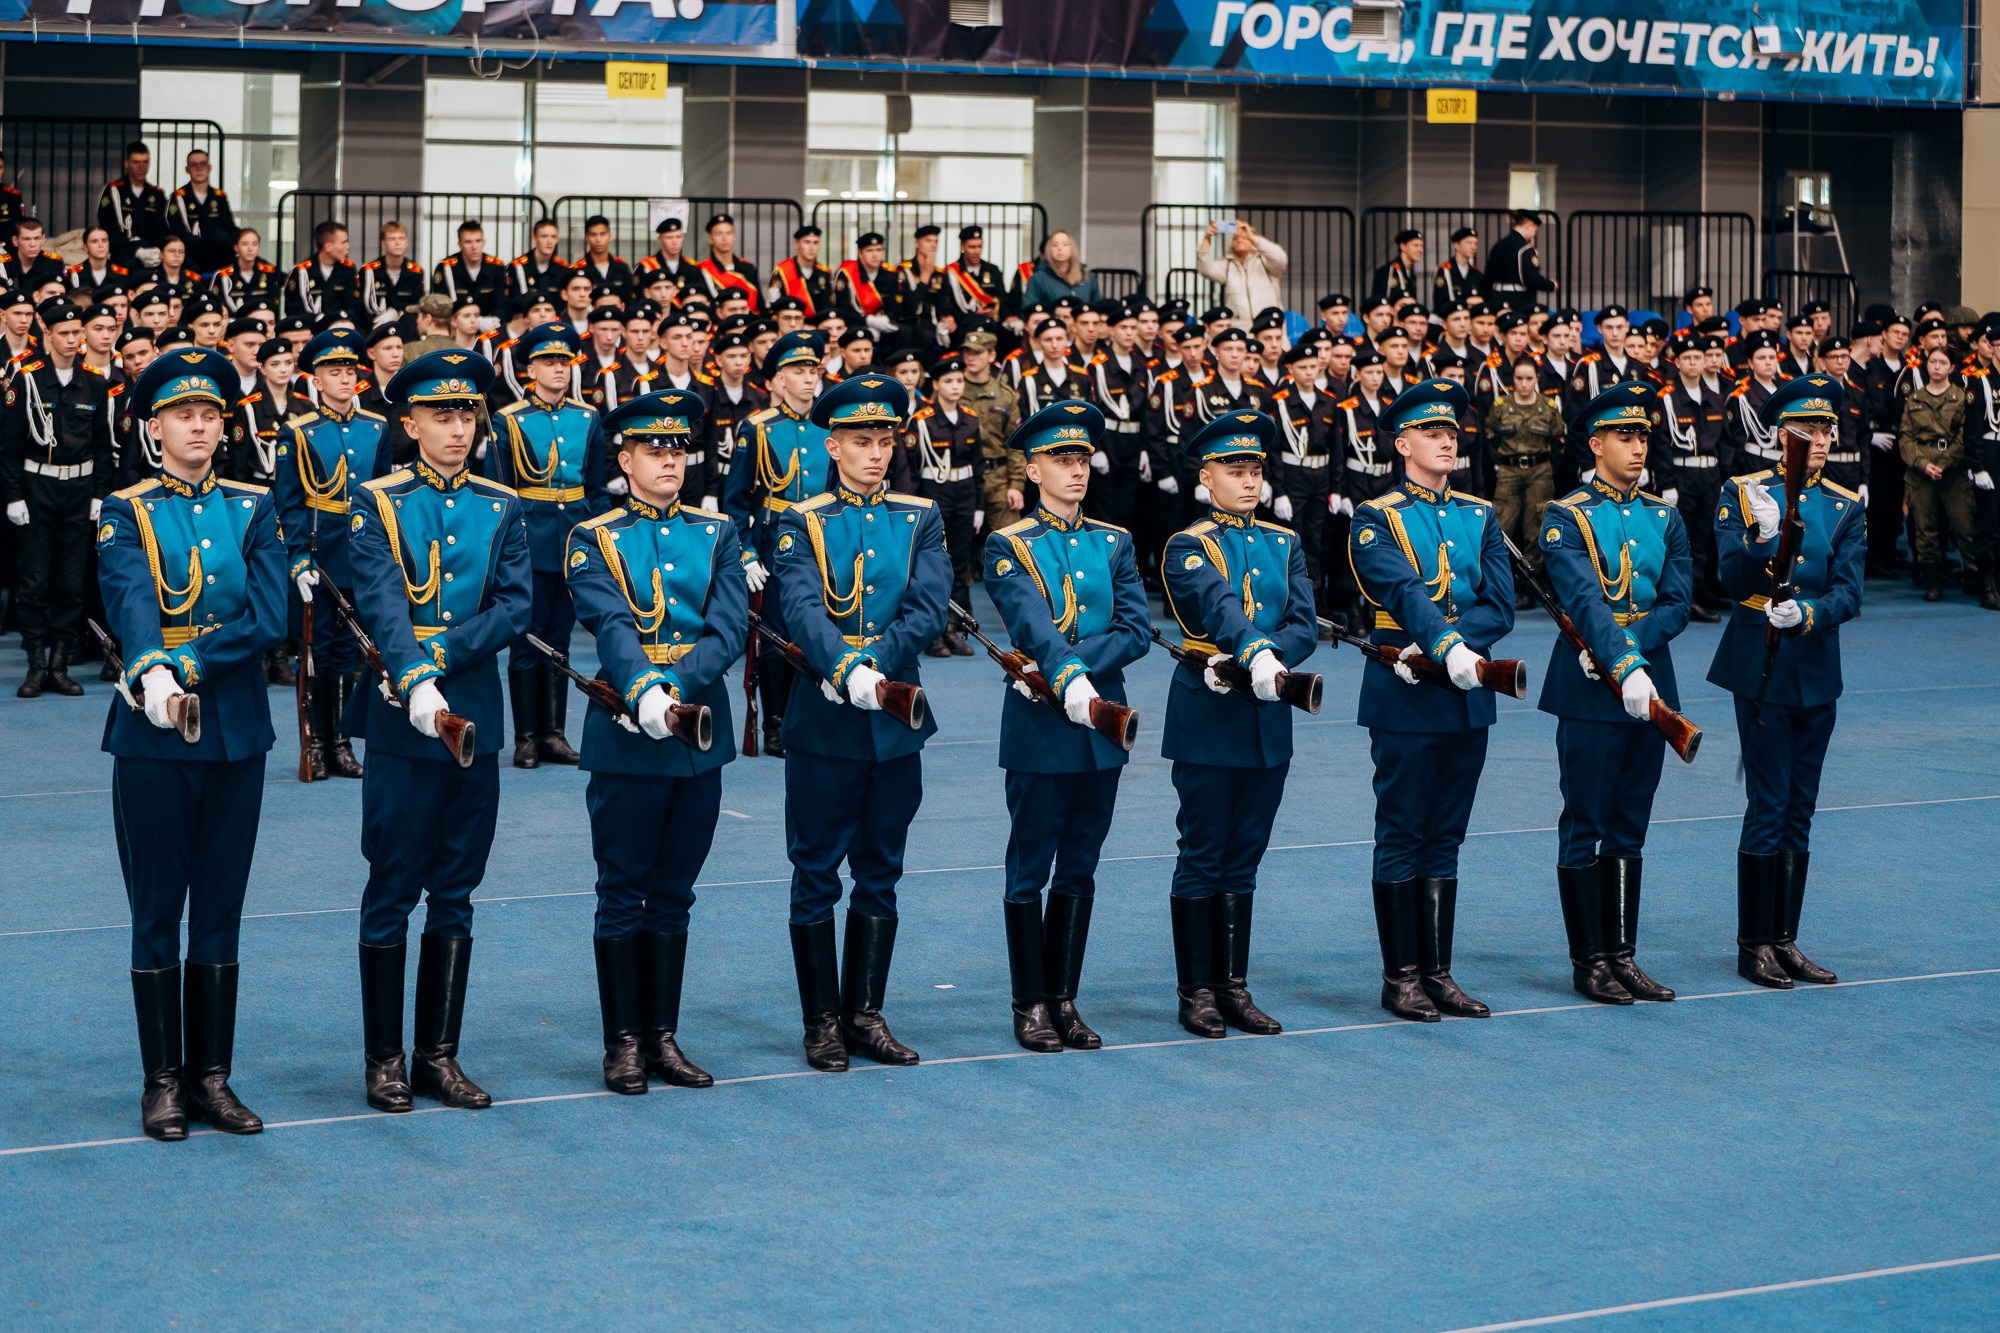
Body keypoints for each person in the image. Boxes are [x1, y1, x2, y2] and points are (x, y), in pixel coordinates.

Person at [96, 345, 287, 1141]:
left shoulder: (253, 506)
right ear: (154, 427)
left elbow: (271, 617)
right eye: (184, 414)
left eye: (211, 414)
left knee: (221, 909)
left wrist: (188, 660)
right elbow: (131, 601)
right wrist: (152, 670)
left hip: (236, 730)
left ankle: (212, 1077)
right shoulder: (125, 510)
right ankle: (162, 1081)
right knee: (155, 910)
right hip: (153, 736)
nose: (201, 425)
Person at [346, 347, 531, 1113]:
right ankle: (384, 1059)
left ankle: (438, 1056)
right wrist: (413, 665)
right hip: (401, 721)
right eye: (442, 415)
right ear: (409, 422)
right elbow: (383, 600)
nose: (458, 427)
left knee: (456, 888)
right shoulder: (378, 500)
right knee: (392, 884)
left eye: (468, 414)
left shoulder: (501, 502)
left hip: (475, 719)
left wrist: (445, 652)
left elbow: (517, 605)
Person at [567, 389, 745, 1093]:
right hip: (625, 736)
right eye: (654, 449)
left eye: (678, 450)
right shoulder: (594, 536)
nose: (669, 460)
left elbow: (728, 628)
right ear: (625, 457)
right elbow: (609, 622)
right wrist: (642, 688)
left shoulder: (717, 534)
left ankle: (662, 1036)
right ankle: (622, 1042)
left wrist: (674, 689)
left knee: (675, 890)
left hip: (697, 733)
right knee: (622, 888)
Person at [771, 373, 951, 1071]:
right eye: (860, 441)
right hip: (825, 723)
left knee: (881, 869)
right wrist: (846, 669)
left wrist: (873, 661)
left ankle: (865, 1012)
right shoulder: (802, 519)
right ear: (833, 444)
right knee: (816, 870)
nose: (875, 453)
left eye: (884, 440)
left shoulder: (919, 516)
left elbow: (929, 607)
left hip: (896, 721)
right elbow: (802, 609)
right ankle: (821, 1020)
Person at [984, 400, 1150, 1051]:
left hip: (1101, 729)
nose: (1076, 470)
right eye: (1061, 459)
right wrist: (1064, 673)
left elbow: (1136, 629)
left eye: (1082, 458)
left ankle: (1065, 998)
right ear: (1034, 467)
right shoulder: (1010, 544)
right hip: (1040, 729)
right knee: (1030, 866)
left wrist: (1072, 668)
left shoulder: (1114, 541)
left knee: (1080, 866)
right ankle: (1029, 1002)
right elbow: (1028, 623)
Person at [1349, 378, 1514, 1023]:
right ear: (1402, 442)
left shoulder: (1479, 514)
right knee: (1402, 829)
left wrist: (1461, 654)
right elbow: (1403, 593)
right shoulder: (1377, 515)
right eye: (1433, 432)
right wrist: (1445, 647)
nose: (1449, 440)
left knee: (1446, 834)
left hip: (1466, 689)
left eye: (1453, 432)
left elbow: (1500, 603)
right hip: (1407, 689)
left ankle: (1438, 971)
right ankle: (1401, 977)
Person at [1158, 409, 1316, 1038]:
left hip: (1267, 720)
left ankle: (1233, 986)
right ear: (1207, 476)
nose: (1248, 480)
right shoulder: (1188, 545)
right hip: (1209, 718)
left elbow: (1304, 622)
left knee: (1245, 858)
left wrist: (1271, 661)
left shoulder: (1285, 543)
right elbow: (1218, 608)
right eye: (1234, 469)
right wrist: (1252, 652)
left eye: (1255, 469)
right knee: (1203, 853)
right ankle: (1195, 990)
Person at [1538, 383, 1690, 1005]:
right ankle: (1588, 961)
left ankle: (1622, 955)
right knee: (1586, 820)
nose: (1636, 447)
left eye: (1643, 436)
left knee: (1631, 823)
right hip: (1590, 687)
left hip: (1652, 684)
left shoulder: (1664, 514)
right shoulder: (1566, 516)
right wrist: (1620, 660)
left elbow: (1680, 601)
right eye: (1623, 436)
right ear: (1595, 443)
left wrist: (1634, 649)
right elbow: (1583, 601)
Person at [1708, 375, 1861, 990]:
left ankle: (1785, 940)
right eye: (1806, 429)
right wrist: (1761, 539)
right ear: (1779, 434)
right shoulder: (1744, 493)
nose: (1819, 439)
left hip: (1816, 667)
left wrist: (1813, 613)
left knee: (1800, 809)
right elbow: (1726, 575)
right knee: (1768, 804)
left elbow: (1849, 590)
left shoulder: (1845, 506)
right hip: (1761, 664)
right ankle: (1754, 945)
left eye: (1826, 429)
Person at [489, 321, 611, 764]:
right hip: (529, 540)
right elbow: (501, 490)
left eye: (564, 361)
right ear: (531, 368)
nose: (559, 369)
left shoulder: (587, 418)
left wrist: (596, 538)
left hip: (573, 538)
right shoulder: (510, 420)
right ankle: (525, 736)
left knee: (559, 636)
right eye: (549, 362)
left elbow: (596, 488)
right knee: (526, 636)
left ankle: (553, 734)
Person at [277, 328, 395, 780]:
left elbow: (384, 493)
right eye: (333, 372)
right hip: (319, 546)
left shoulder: (376, 427)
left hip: (362, 550)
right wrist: (296, 557)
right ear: (317, 381)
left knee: (351, 648)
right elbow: (288, 502)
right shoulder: (299, 431)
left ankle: (343, 740)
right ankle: (317, 741)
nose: (344, 379)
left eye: (349, 371)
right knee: (318, 648)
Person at [721, 331, 829, 756]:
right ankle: (775, 721)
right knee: (776, 636)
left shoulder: (831, 426)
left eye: (813, 370)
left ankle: (814, 712)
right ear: (779, 379)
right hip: (775, 542)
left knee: (821, 627)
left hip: (823, 541)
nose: (808, 379)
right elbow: (735, 500)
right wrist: (745, 552)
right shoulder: (758, 428)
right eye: (798, 372)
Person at [5, 298, 116, 698]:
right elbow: (9, 446)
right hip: (37, 490)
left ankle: (60, 665)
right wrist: (12, 496)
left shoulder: (94, 382)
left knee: (71, 583)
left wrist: (100, 494)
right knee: (34, 582)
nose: (72, 340)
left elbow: (103, 447)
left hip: (79, 491)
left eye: (77, 333)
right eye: (64, 333)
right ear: (46, 333)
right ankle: (36, 666)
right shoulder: (28, 379)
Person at [1898, 346, 1980, 602]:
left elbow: (1964, 436)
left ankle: (1975, 576)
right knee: (1925, 530)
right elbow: (1905, 437)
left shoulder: (1961, 397)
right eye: (1932, 361)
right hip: (1921, 471)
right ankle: (1932, 581)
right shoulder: (1915, 398)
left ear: (1951, 367)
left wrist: (1943, 463)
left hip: (1952, 471)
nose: (1936, 366)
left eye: (1942, 362)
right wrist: (1923, 464)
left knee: (1964, 526)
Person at [1485, 356, 1564, 599]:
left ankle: (1530, 587)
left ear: (1537, 379)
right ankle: (1497, 585)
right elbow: (1490, 440)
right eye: (1519, 378)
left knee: (1536, 528)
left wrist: (1547, 467)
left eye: (1529, 378)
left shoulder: (1548, 407)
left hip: (1540, 470)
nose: (1524, 384)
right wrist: (1502, 464)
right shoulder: (1500, 406)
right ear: (1512, 380)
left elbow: (1559, 443)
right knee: (1501, 527)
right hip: (1508, 471)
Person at [1193, 221, 1288, 330]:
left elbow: (1280, 258)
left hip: (1269, 329)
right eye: (1235, 238)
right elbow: (1206, 269)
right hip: (1241, 332)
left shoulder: (1265, 261)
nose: (1239, 239)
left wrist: (1253, 238)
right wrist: (1207, 238)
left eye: (1244, 237)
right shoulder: (1228, 264)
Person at [97, 141, 171, 271]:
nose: (141, 167)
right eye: (136, 162)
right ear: (127, 163)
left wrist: (156, 249)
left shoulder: (157, 194)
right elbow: (108, 228)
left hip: (151, 251)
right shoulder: (114, 191)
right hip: (122, 251)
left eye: (145, 162)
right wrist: (137, 250)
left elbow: (163, 229)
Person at [167, 149, 235, 274]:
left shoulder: (219, 197)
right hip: (191, 255)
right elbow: (177, 231)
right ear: (187, 169)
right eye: (194, 165)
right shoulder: (178, 198)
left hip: (218, 256)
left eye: (203, 164)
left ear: (209, 168)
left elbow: (229, 227)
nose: (199, 169)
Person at [1485, 211, 1557, 314]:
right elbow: (1531, 277)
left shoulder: (1498, 246)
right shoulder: (1525, 248)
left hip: (1495, 297)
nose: (1534, 233)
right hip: (1518, 299)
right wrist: (1550, 285)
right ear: (1529, 225)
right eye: (1535, 229)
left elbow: (1488, 275)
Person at [289, 221, 358, 322]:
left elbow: (353, 306)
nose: (348, 247)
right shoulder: (301, 272)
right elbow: (293, 309)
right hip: (309, 329)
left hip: (339, 326)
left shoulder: (348, 269)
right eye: (343, 242)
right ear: (328, 247)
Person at [360, 221, 426, 326]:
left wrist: (397, 313)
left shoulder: (416, 272)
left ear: (407, 243)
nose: (397, 243)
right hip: (375, 325)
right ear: (383, 244)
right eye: (392, 239)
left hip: (406, 327)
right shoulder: (369, 271)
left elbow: (418, 306)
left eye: (402, 238)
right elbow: (362, 307)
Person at [1020, 231, 1101, 310]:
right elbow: (1029, 308)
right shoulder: (1038, 278)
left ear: (1072, 248)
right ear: (1048, 250)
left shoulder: (1087, 276)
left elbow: (1098, 306)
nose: (1060, 248)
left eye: (1065, 244)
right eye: (1055, 245)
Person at [696, 213, 760, 310]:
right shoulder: (701, 270)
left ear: (734, 237)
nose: (725, 238)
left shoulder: (748, 268)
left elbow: (759, 305)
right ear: (710, 239)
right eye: (719, 234)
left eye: (729, 233)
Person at [767, 224, 833, 317]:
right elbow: (774, 304)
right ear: (797, 244)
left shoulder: (824, 272)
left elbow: (828, 305)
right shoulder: (782, 270)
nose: (811, 248)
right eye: (807, 242)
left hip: (818, 326)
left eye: (815, 243)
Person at [945, 226, 1005, 322]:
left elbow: (1002, 297)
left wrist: (993, 308)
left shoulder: (993, 270)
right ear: (962, 246)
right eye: (972, 247)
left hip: (990, 322)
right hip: (963, 323)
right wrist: (974, 312)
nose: (977, 251)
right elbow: (947, 305)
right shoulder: (951, 273)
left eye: (980, 246)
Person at [509, 218, 571, 299]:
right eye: (544, 236)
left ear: (557, 240)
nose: (549, 241)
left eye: (553, 237)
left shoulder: (564, 269)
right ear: (534, 238)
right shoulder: (518, 266)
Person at [1432, 227, 1489, 311]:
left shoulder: (1476, 273)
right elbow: (1439, 300)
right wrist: (1466, 302)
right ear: (1456, 245)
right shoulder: (1444, 270)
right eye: (1469, 243)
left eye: (1475, 243)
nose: (1473, 247)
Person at [1370, 228, 1424, 303]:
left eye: (1421, 246)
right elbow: (1388, 300)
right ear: (1402, 246)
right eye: (1416, 245)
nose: (1420, 250)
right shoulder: (1391, 270)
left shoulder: (1409, 272)